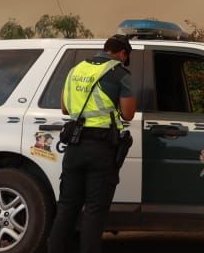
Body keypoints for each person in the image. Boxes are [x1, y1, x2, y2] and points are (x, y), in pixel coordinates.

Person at [46, 35, 136, 253]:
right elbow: (128, 114)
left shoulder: (75, 70)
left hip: (75, 147)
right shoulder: (120, 74)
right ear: (122, 54)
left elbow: (65, 109)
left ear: (105, 49)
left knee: (67, 208)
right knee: (94, 213)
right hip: (102, 149)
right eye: (125, 58)